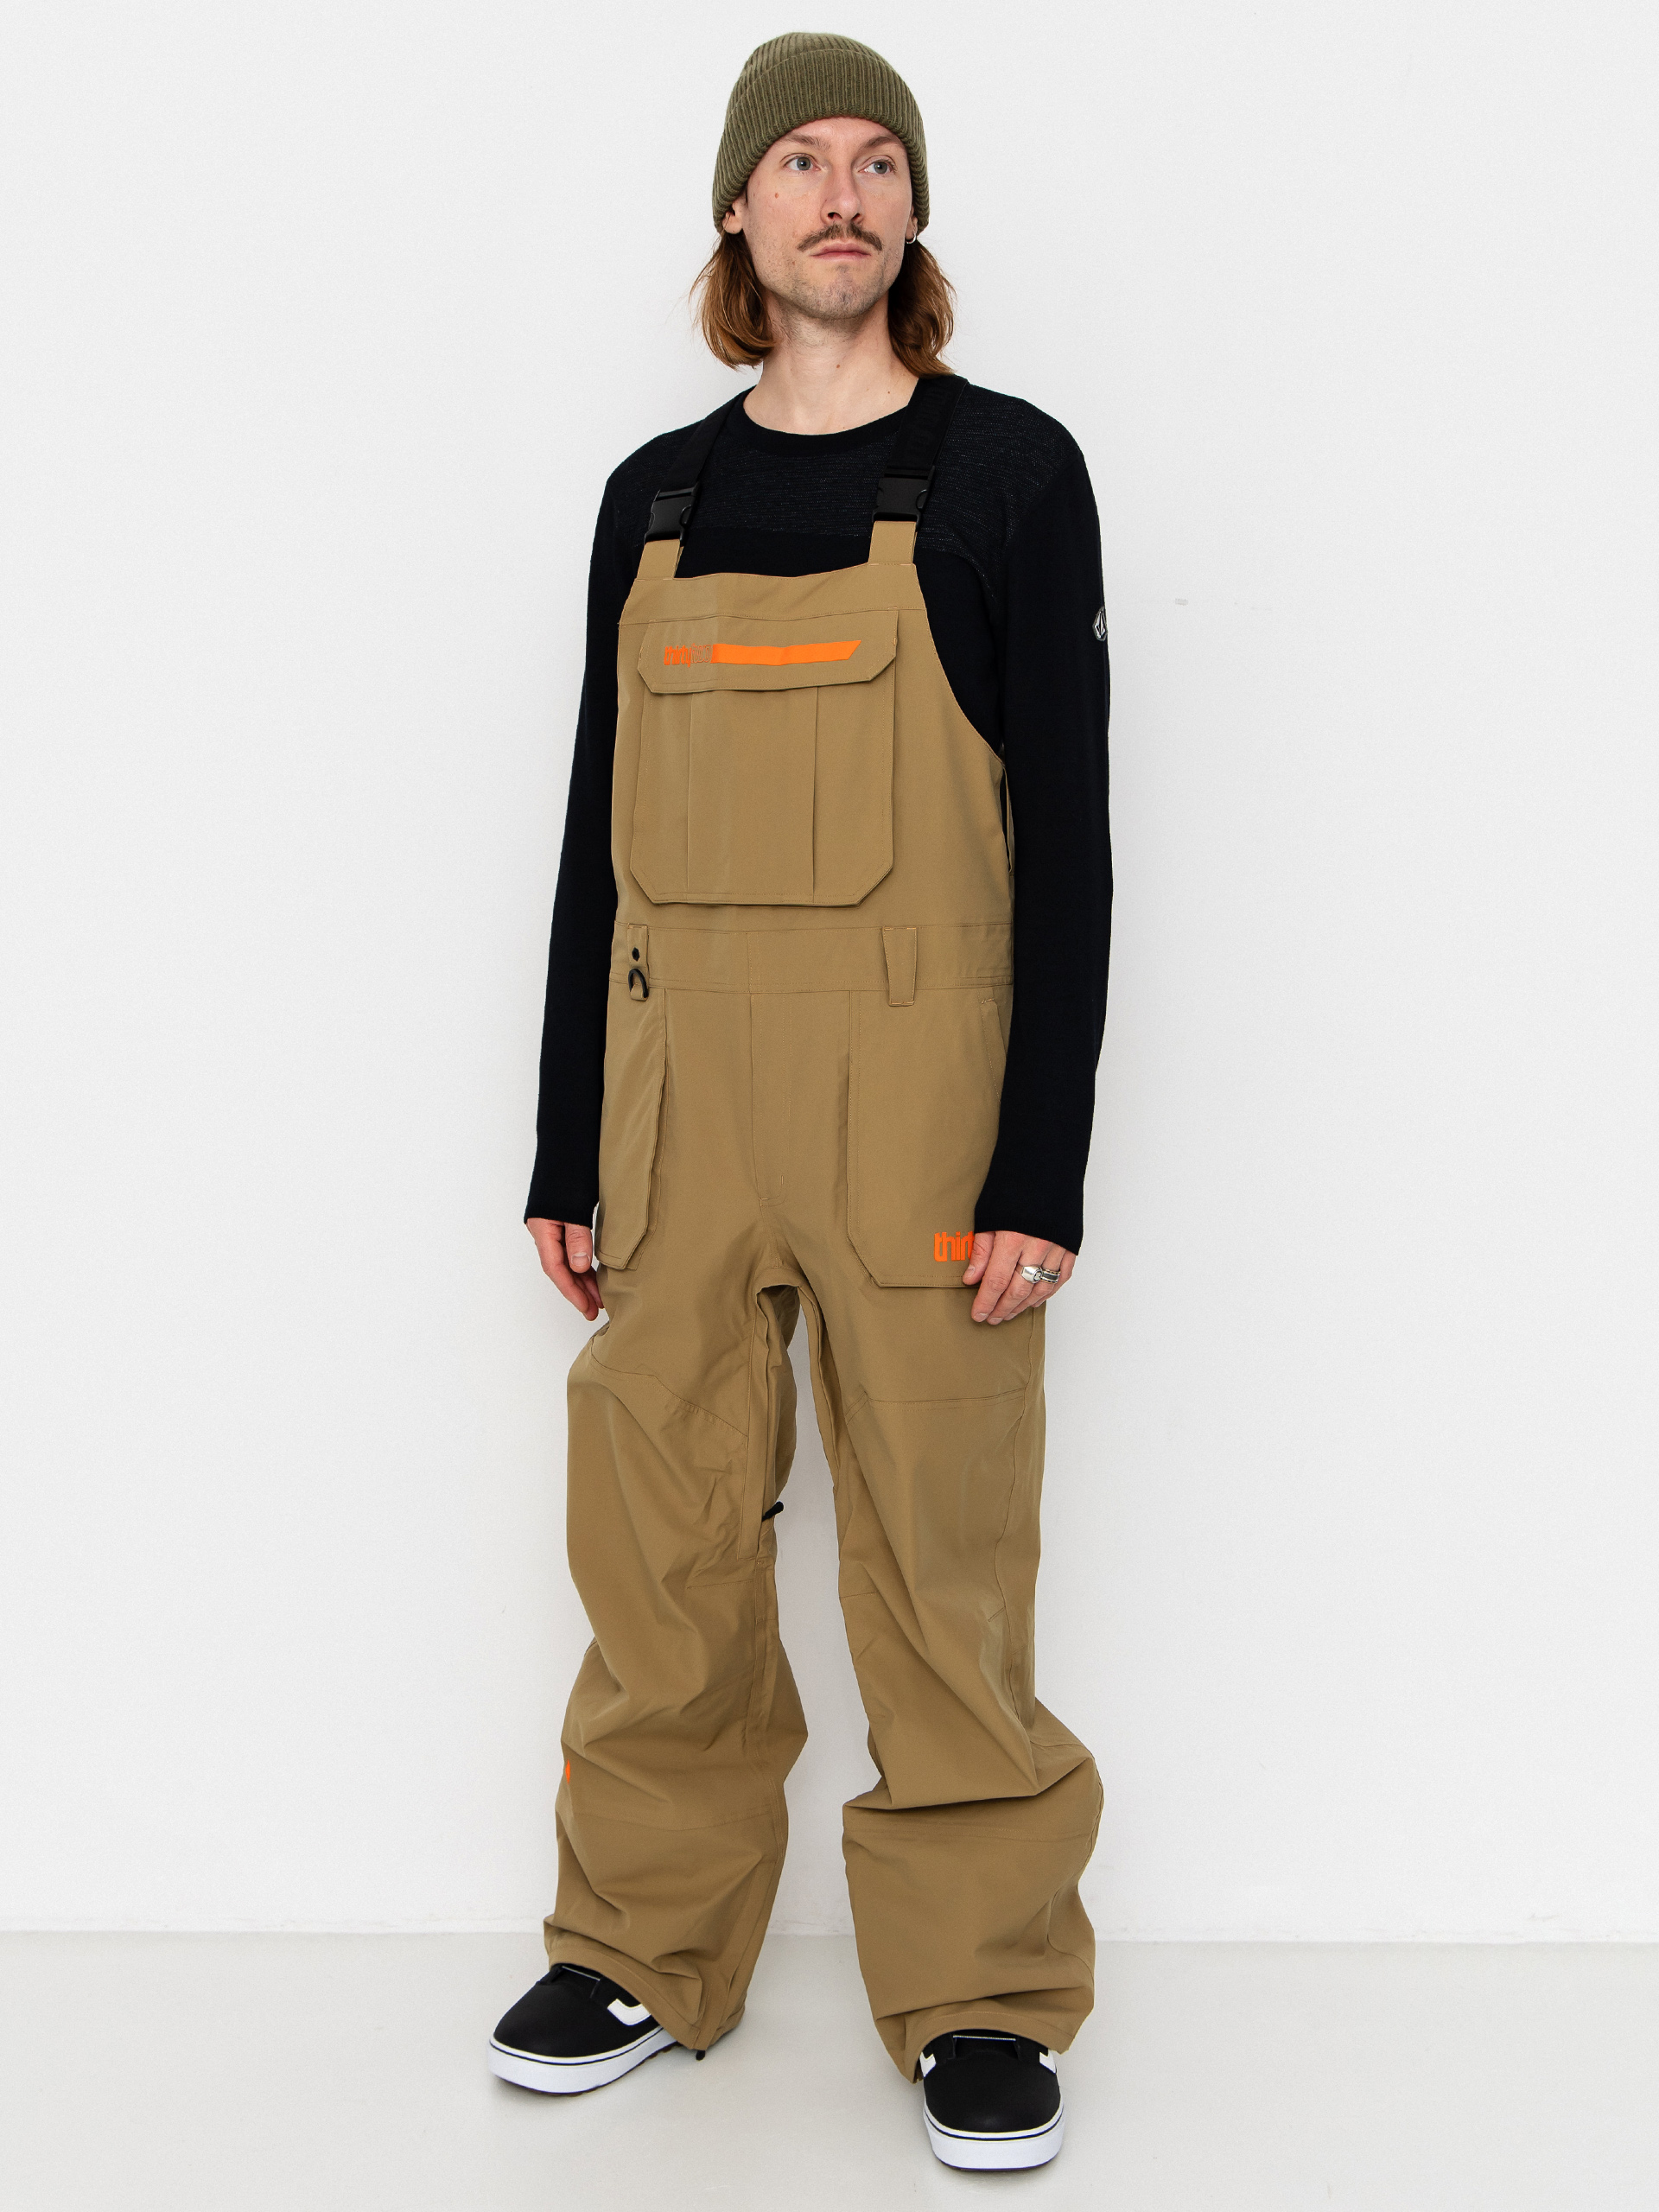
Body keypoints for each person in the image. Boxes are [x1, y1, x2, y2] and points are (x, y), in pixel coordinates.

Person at [488, 32, 1112, 2173]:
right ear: (738, 212)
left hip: (920, 1095)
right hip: (680, 1095)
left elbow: (1070, 844)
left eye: (877, 164)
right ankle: (639, 1942)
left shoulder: (1009, 473)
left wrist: (1042, 1167)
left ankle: (984, 1984)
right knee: (659, 1538)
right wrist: (567, 1134)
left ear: (910, 212)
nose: (842, 196)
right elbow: (596, 834)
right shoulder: (653, 497)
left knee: (943, 1547)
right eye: (800, 162)